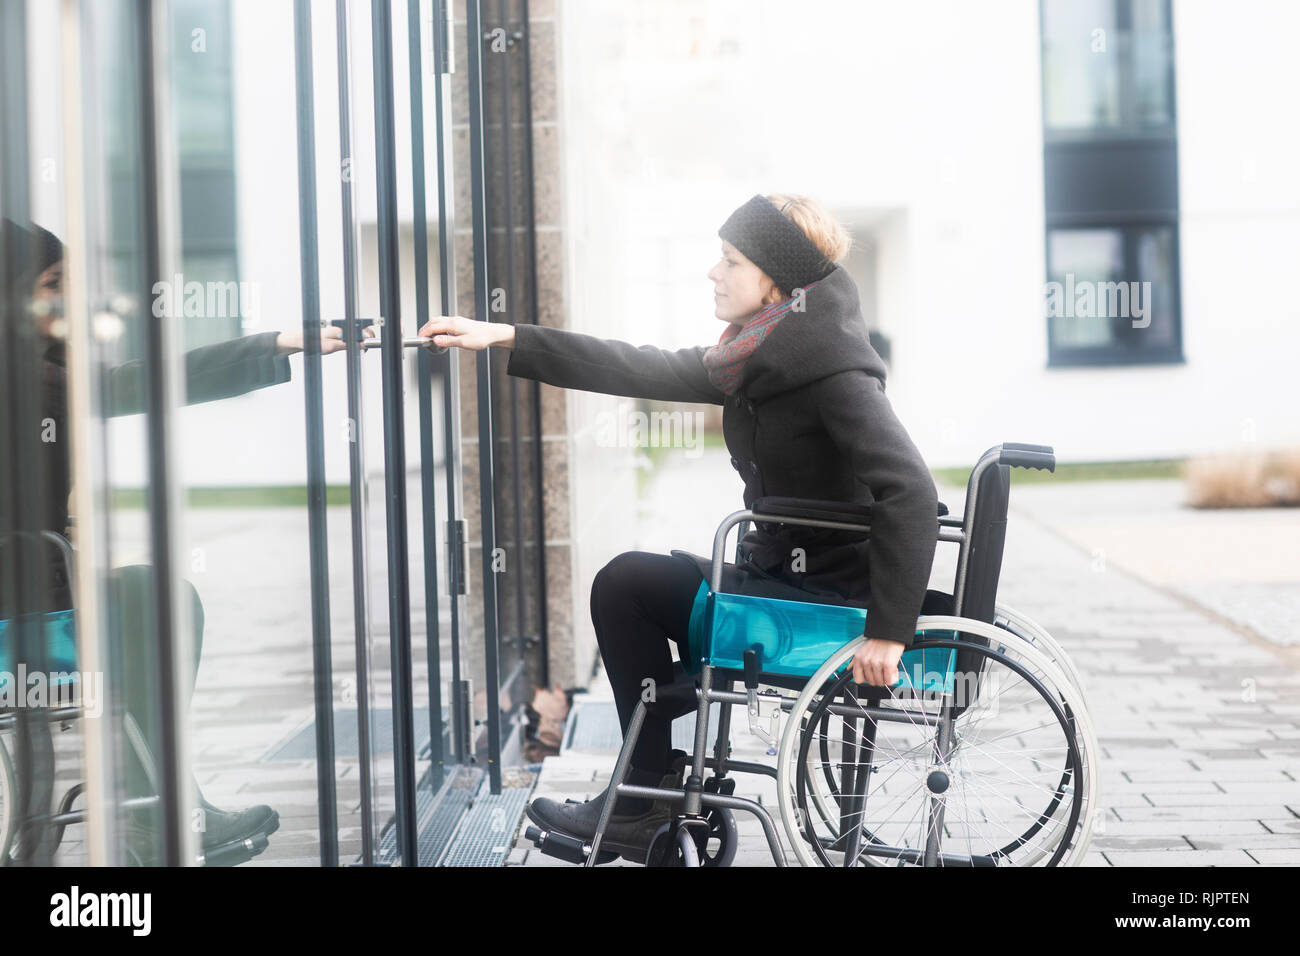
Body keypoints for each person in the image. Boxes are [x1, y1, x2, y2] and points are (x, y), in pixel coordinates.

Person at [418, 193, 940, 861]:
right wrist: (507, 336)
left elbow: (912, 491)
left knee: (627, 584)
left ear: (774, 281)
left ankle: (643, 796)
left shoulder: (831, 371)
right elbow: (640, 364)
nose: (712, 273)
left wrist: (888, 634)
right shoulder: (765, 356)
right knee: (629, 585)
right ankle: (647, 790)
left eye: (730, 260)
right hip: (777, 580)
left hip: (821, 605)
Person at [1, 217, 351, 862]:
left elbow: (143, 379)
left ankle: (166, 809)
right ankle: (166, 811)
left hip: (30, 602)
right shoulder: (27, 384)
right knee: (157, 598)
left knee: (149, 596)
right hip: (17, 619)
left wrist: (280, 342)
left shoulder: (46, 377)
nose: (71, 299)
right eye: (53, 284)